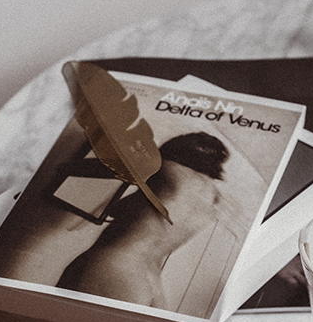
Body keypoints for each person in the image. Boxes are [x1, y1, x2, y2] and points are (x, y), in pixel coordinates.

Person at [57, 131, 229, 310]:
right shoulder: (213, 199)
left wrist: (65, 166)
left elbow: (86, 167)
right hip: (151, 280)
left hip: (115, 265)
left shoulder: (166, 168)